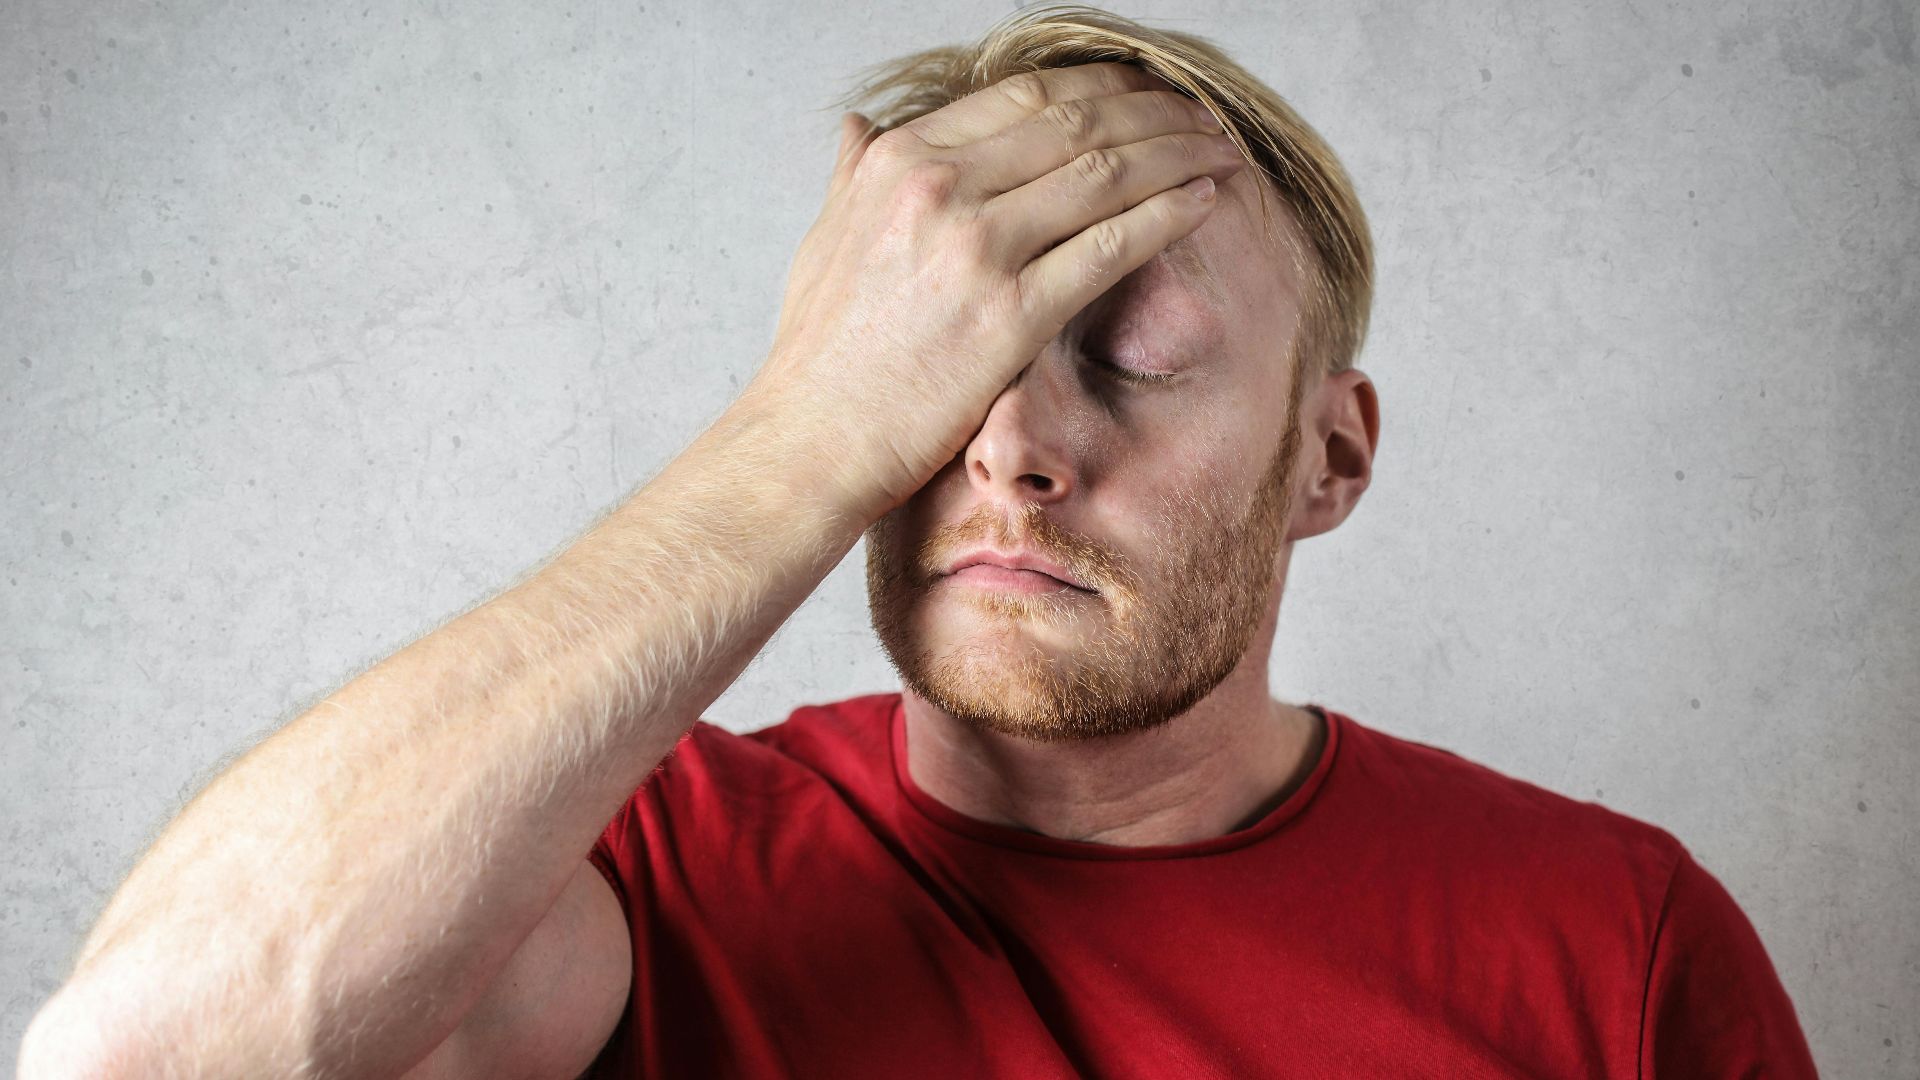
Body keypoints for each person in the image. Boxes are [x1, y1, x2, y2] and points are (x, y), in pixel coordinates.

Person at [20, 5, 1818, 1078]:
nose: (1016, 449)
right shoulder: (626, 872)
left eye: (1133, 355)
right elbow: (128, 1057)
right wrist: (799, 434)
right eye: (940, 375)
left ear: (1326, 459)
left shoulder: (1618, 938)